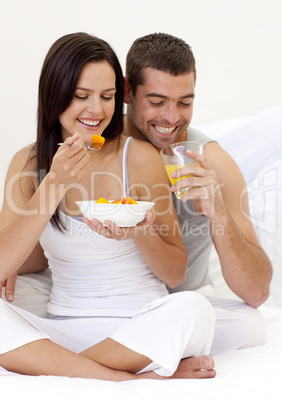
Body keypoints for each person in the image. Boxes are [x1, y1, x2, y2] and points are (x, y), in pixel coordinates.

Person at [0, 32, 216, 380]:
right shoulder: (27, 164)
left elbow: (175, 274)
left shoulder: (140, 156)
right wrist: (54, 183)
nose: (97, 110)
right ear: (54, 95)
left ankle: (60, 368)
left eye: (108, 96)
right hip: (64, 328)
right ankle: (120, 378)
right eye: (81, 96)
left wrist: (141, 232)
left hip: (137, 327)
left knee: (195, 310)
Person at [119, 33, 273, 354]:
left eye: (185, 102)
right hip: (111, 300)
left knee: (253, 325)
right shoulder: (103, 146)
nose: (172, 118)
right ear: (127, 92)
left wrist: (217, 213)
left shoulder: (212, 162)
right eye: (157, 102)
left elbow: (257, 292)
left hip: (181, 303)